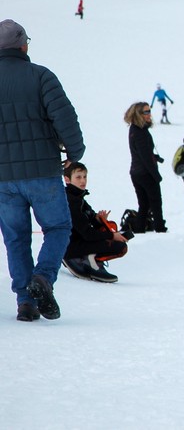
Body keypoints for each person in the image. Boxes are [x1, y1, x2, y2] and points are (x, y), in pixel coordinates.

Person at [0, 19, 85, 321]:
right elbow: (65, 117)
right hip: (43, 171)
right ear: (23, 45)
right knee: (58, 227)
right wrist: (75, 153)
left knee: (16, 239)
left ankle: (25, 302)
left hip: (4, 180)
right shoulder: (41, 76)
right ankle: (44, 278)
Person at [62, 162, 129, 283]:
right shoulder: (71, 201)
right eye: (78, 177)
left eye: (84, 176)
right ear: (67, 179)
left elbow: (91, 219)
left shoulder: (78, 198)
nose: (83, 181)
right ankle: (88, 261)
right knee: (120, 246)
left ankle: (90, 257)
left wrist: (99, 220)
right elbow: (87, 233)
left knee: (112, 233)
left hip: (79, 241)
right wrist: (112, 236)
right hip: (70, 246)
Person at [124, 102, 167, 233]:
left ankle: (139, 230)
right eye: (146, 112)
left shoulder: (135, 129)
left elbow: (143, 153)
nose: (149, 115)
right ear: (138, 114)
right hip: (144, 173)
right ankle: (160, 229)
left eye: (149, 111)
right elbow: (145, 156)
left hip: (136, 172)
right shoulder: (140, 132)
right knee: (155, 203)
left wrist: (155, 158)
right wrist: (156, 176)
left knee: (144, 204)